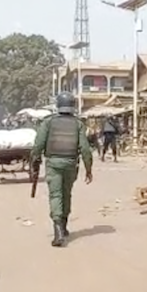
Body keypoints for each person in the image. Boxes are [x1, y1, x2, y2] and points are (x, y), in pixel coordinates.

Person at [30, 91, 93, 247]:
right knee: (66, 194)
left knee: (56, 195)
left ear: (58, 105)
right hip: (71, 163)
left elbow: (38, 144)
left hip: (53, 163)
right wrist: (88, 168)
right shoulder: (78, 123)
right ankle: (63, 227)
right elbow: (85, 149)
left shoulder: (48, 122)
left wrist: (34, 160)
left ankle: (58, 231)